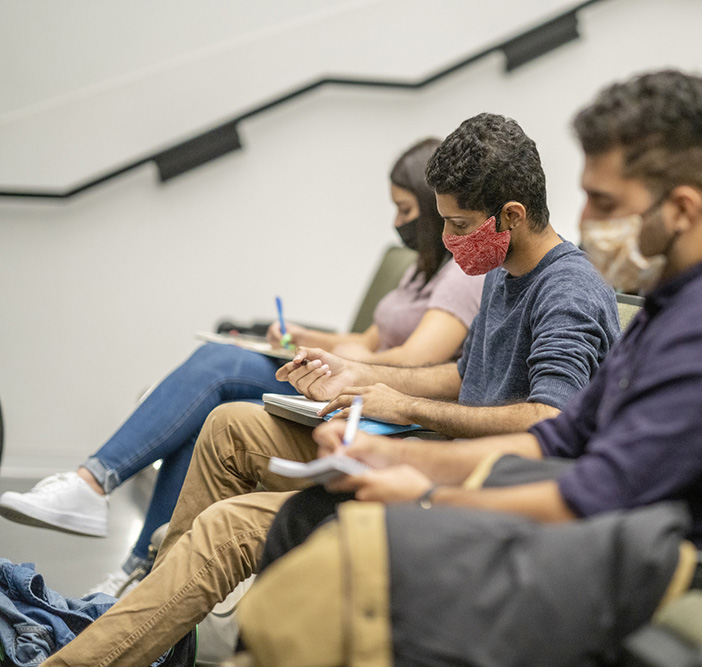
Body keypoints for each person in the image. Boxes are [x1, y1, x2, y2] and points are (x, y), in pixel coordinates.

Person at [237, 68, 702, 664]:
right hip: (606, 539)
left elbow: (593, 494)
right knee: (313, 515)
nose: (589, 221)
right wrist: (395, 455)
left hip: (667, 576)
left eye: (605, 203)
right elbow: (558, 438)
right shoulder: (680, 304)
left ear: (681, 208)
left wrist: (427, 496)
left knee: (352, 549)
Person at [40, 111, 622, 667]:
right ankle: (159, 637)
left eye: (458, 225)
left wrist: (403, 407)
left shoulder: (566, 290)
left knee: (228, 527)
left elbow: (548, 418)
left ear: (512, 215)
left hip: (468, 497)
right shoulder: (502, 271)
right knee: (229, 426)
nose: (445, 239)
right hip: (439, 459)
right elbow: (464, 377)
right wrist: (364, 376)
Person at [0, 137, 486, 595]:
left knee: (218, 365)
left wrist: (341, 363)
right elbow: (367, 339)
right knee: (207, 408)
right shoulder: (417, 271)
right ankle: (134, 569)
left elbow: (411, 359)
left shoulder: (460, 276)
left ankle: (92, 484)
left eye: (405, 210)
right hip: (347, 375)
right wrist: (302, 336)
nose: (398, 223)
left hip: (369, 402)